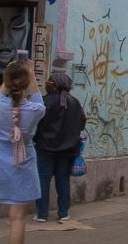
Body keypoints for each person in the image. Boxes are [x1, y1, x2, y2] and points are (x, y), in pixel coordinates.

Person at [0, 60, 45, 244]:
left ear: (6, 82)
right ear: (27, 82)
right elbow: (38, 100)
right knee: (18, 217)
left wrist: (8, 77)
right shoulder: (35, 110)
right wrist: (30, 74)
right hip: (23, 161)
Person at [34, 72, 86, 222]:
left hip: (45, 149)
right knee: (63, 180)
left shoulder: (44, 102)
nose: (47, 82)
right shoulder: (75, 102)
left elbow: (36, 124)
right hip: (67, 150)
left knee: (43, 180)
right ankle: (63, 213)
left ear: (55, 85)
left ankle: (42, 214)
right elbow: (82, 123)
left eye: (50, 80)